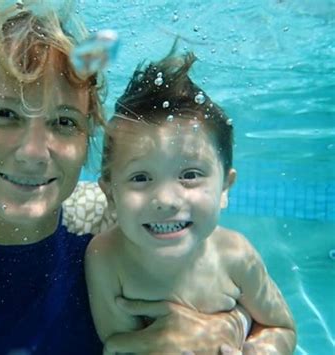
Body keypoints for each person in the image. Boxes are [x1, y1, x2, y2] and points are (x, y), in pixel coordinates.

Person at [0, 1, 255, 354]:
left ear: (87, 140)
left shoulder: (116, 215)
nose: (33, 152)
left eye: (63, 121)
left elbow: (238, 289)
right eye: (4, 113)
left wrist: (224, 327)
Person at [85, 45, 297, 354]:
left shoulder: (236, 256)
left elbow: (281, 327)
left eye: (190, 175)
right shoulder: (105, 259)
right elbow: (115, 343)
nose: (167, 199)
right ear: (111, 194)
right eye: (141, 178)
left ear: (225, 187)